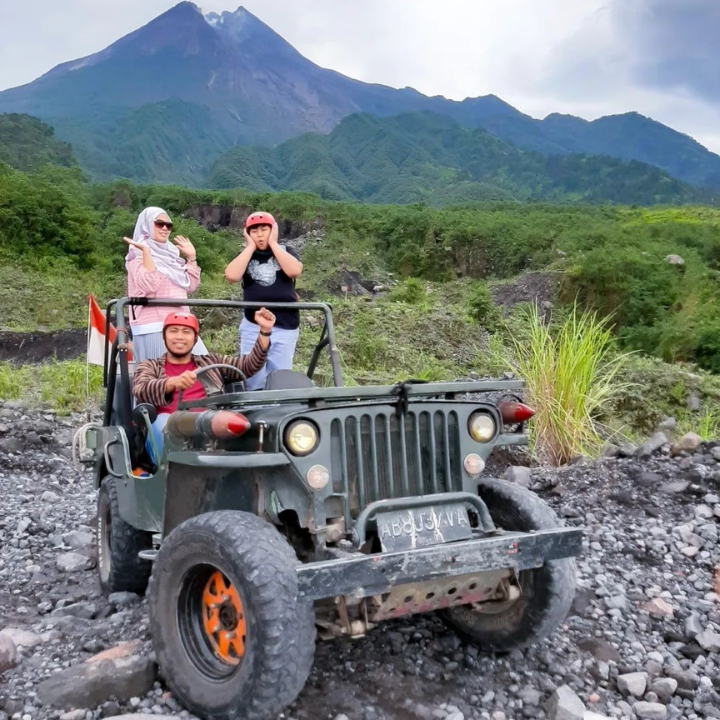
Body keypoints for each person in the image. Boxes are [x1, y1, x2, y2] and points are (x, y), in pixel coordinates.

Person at [133, 308, 276, 463]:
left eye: (186, 332)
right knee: (162, 421)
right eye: (173, 331)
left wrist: (264, 331)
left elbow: (248, 366)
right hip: (171, 430)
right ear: (164, 336)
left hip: (209, 428)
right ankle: (171, 472)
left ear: (195, 338)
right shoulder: (150, 365)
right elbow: (141, 389)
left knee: (250, 422)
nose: (179, 337)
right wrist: (172, 383)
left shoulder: (211, 362)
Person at [224, 212, 303, 390]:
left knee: (280, 375)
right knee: (252, 373)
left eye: (264, 229)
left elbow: (294, 271)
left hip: (285, 323)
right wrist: (249, 248)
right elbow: (231, 275)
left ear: (273, 230)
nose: (260, 235)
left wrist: (274, 244)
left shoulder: (286, 251)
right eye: (254, 231)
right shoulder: (245, 255)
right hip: (254, 324)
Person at [123, 206, 207, 361]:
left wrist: (191, 258)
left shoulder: (171, 253)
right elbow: (149, 285)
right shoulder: (137, 254)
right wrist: (147, 253)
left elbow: (191, 285)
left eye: (168, 225)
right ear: (147, 225)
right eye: (159, 223)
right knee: (163, 378)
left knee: (204, 372)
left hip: (182, 322)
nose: (164, 228)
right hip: (154, 326)